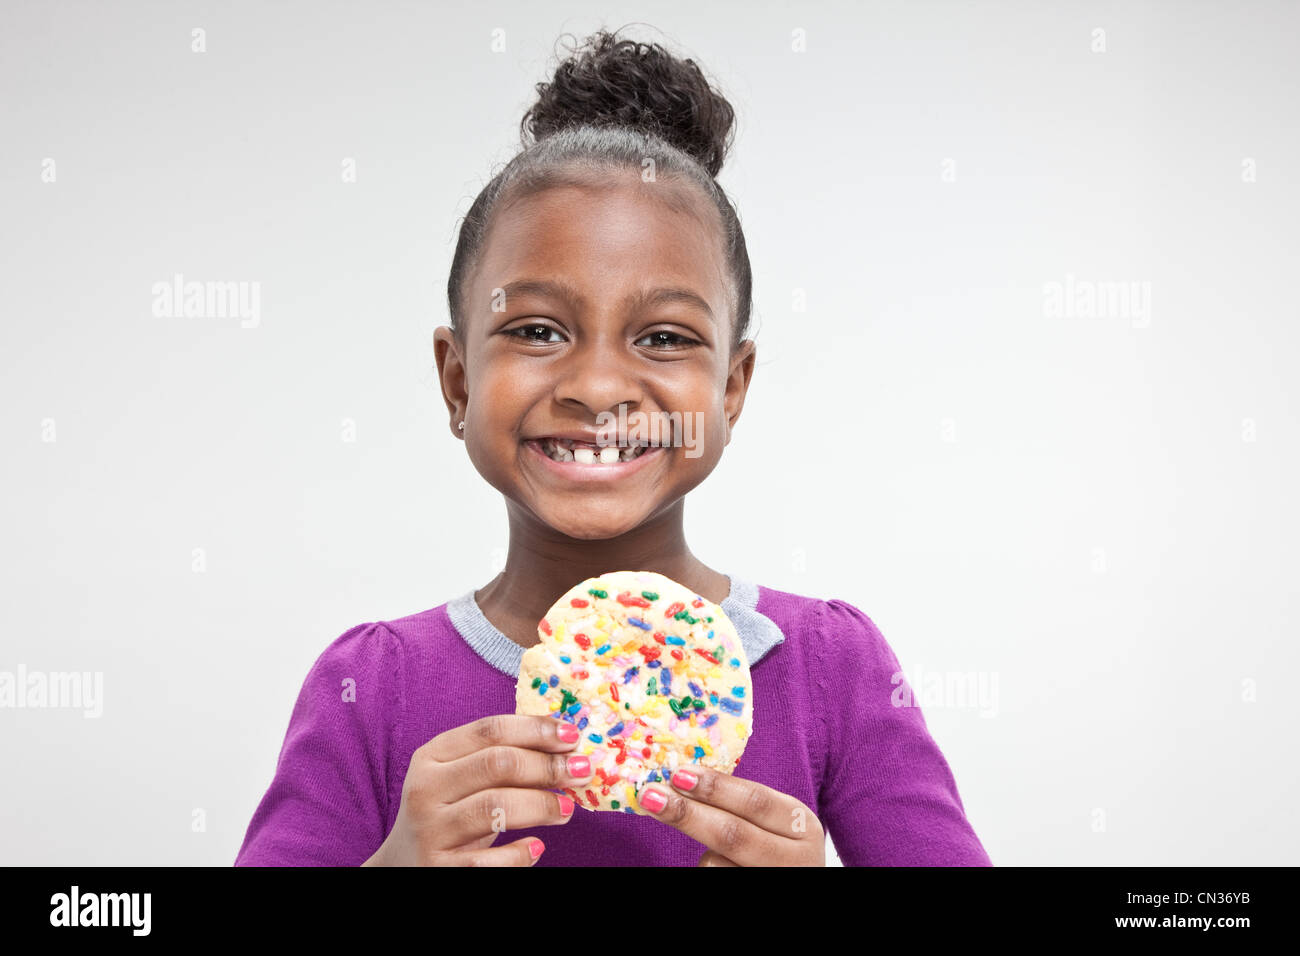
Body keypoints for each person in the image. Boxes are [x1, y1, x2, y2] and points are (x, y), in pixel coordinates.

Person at [234, 26, 992, 867]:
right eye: (535, 328)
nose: (598, 386)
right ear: (458, 381)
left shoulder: (829, 671)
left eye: (665, 337)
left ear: (731, 389)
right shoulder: (371, 689)